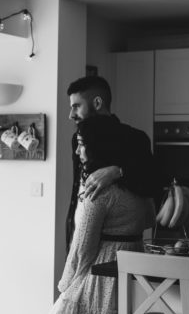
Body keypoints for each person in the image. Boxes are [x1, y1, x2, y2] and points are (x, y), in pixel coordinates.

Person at [25, 115, 156, 314]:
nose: (77, 152)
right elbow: (149, 219)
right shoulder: (140, 189)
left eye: (82, 145)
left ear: (98, 147)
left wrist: (65, 285)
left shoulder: (98, 192)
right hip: (132, 274)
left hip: (97, 279)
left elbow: (83, 249)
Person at [65, 75, 158, 251]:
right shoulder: (76, 139)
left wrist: (117, 171)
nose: (71, 115)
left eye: (76, 106)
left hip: (115, 246)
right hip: (77, 234)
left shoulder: (135, 138)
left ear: (97, 103)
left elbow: (152, 183)